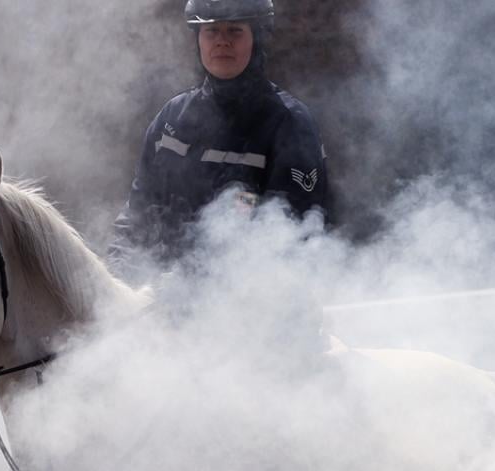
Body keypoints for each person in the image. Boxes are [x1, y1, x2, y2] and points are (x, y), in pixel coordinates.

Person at [108, 0, 333, 282]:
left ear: (257, 38)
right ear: (198, 40)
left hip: (259, 315)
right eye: (211, 31)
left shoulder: (288, 123)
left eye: (235, 31)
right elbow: (136, 218)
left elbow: (291, 242)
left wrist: (190, 286)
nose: (222, 42)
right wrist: (115, 282)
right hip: (164, 306)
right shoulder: (171, 119)